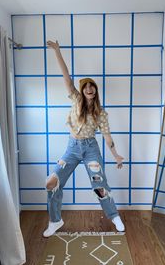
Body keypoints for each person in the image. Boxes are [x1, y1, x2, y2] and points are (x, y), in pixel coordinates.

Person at [43, 40, 125, 237]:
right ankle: (55, 220)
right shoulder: (76, 99)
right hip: (72, 148)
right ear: (82, 90)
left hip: (91, 149)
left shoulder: (101, 113)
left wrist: (116, 155)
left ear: (96, 90)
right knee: (51, 183)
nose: (89, 89)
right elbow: (66, 76)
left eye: (92, 87)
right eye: (86, 86)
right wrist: (57, 51)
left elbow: (107, 136)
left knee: (100, 187)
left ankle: (114, 216)